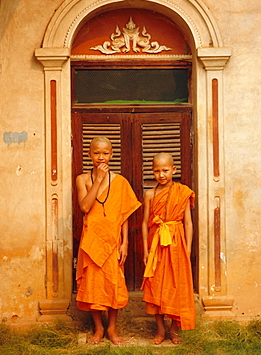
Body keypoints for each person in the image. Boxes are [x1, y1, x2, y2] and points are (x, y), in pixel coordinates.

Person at [76, 136, 141, 345]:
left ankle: (112, 329)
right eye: (96, 153)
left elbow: (123, 214)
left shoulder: (120, 181)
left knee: (113, 284)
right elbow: (85, 207)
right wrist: (98, 181)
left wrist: (125, 243)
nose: (100, 157)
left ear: (111, 155)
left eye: (105, 153)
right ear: (89, 154)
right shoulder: (82, 179)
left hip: (113, 240)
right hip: (92, 241)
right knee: (93, 285)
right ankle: (98, 329)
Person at [141, 152, 195, 345]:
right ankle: (160, 330)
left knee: (175, 287)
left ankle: (174, 329)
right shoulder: (149, 194)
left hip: (176, 243)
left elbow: (188, 223)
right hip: (156, 246)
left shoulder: (182, 191)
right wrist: (146, 251)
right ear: (152, 172)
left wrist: (187, 249)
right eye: (156, 171)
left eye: (165, 170)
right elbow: (145, 223)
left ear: (174, 169)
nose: (161, 175)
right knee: (156, 287)